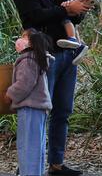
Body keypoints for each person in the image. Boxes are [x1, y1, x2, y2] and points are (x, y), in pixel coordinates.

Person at [12, 0, 92, 176]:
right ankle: (28, 165)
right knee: (39, 112)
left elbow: (68, 13)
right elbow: (34, 16)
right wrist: (65, 9)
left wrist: (78, 9)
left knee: (63, 111)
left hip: (67, 53)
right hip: (44, 55)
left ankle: (56, 163)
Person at [5, 29, 53, 176]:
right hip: (38, 108)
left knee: (28, 147)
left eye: (23, 36)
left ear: (30, 41)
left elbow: (24, 83)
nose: (20, 39)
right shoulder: (37, 58)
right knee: (36, 146)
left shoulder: (27, 59)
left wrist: (9, 94)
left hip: (30, 107)